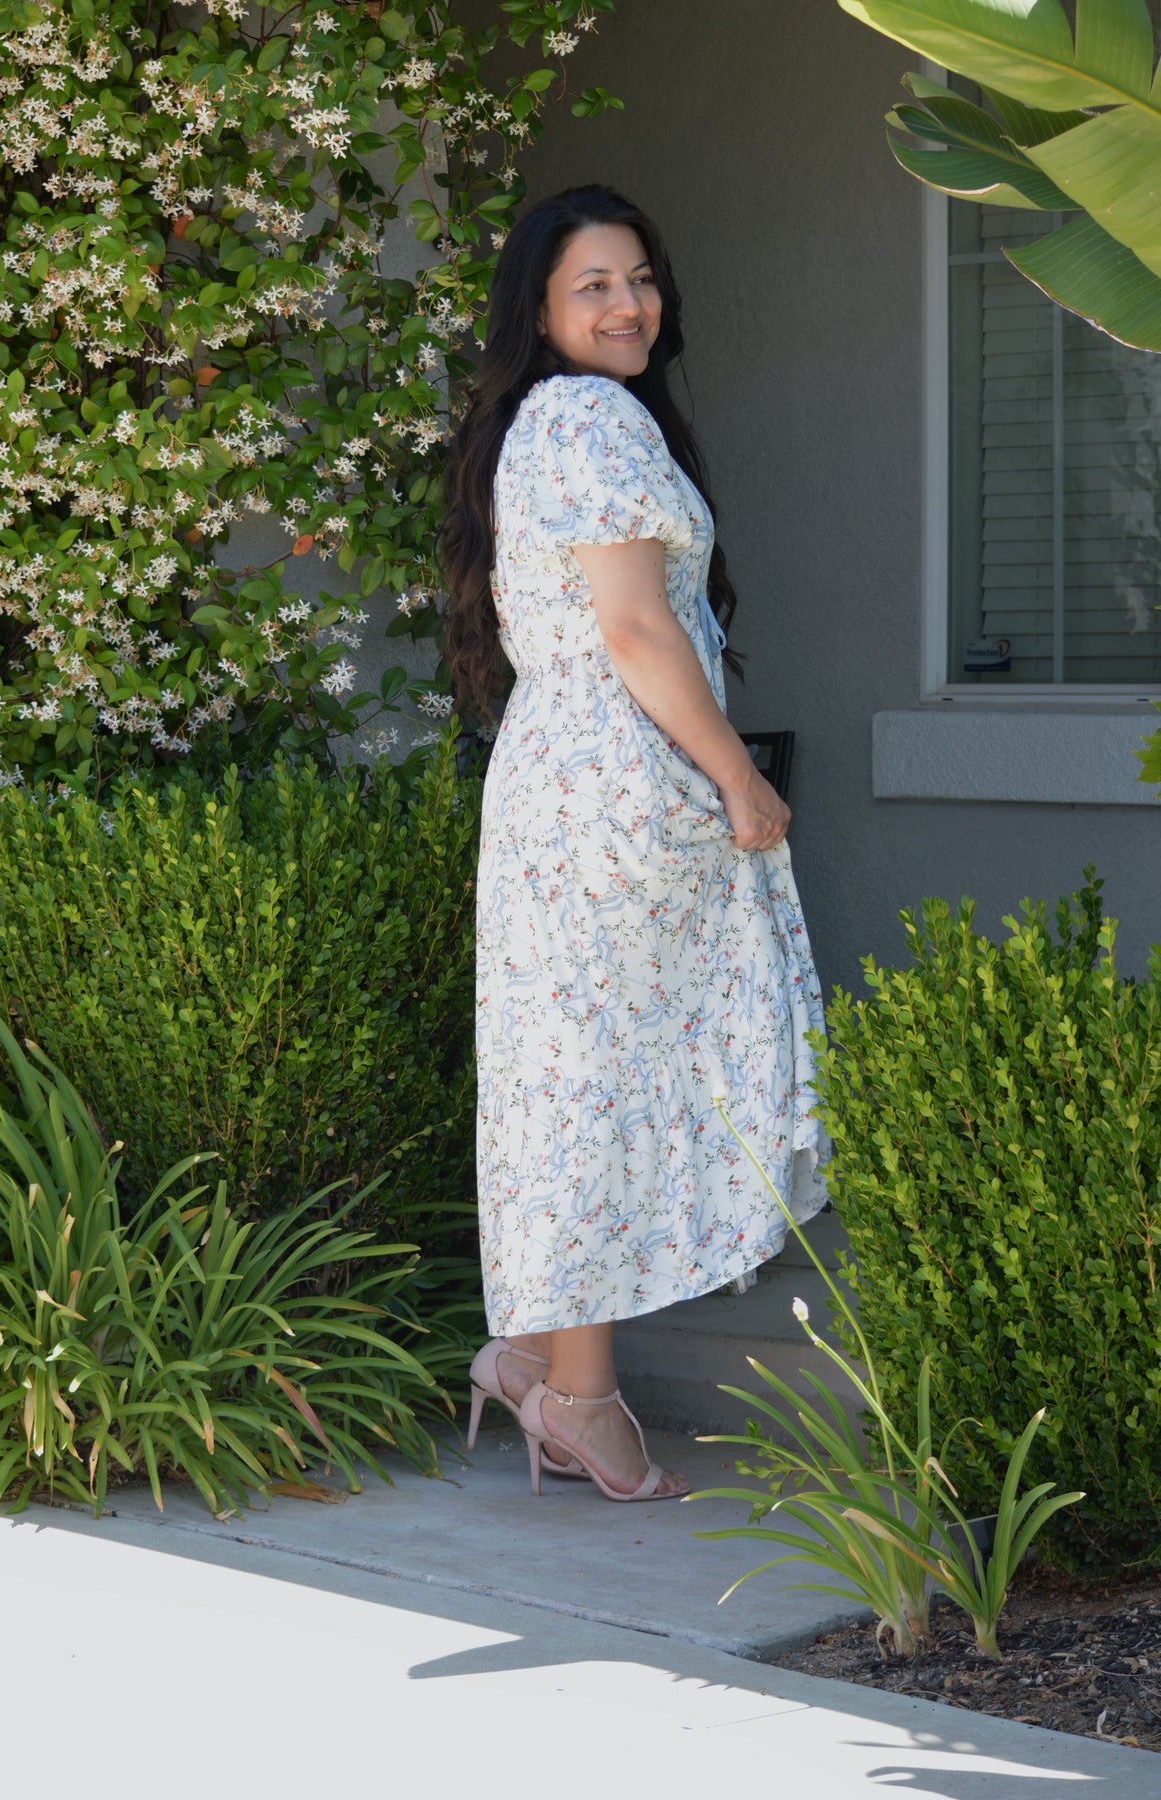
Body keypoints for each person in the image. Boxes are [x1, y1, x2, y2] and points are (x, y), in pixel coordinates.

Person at [441, 184, 829, 1503]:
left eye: (642, 278)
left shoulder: (544, 423)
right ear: (542, 310)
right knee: (609, 1076)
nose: (629, 304)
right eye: (594, 284)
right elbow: (635, 626)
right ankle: (577, 1391)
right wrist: (738, 776)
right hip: (621, 783)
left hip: (561, 780)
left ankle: (546, 1362)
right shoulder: (591, 417)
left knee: (580, 1073)